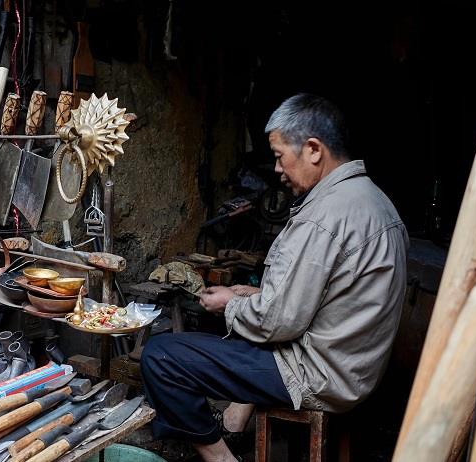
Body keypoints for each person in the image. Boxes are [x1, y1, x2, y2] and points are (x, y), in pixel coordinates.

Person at [141, 94, 409, 462]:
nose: (278, 169)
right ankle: (233, 425)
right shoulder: (374, 200)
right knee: (246, 328)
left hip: (319, 374)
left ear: (314, 149)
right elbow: (332, 294)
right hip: (356, 368)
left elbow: (276, 323)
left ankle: (221, 458)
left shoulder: (325, 216)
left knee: (162, 356)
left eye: (281, 156)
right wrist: (257, 293)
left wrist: (230, 304)